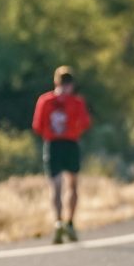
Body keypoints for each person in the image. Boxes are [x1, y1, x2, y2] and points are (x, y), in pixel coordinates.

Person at [32, 66, 92, 244]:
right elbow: (85, 123)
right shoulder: (76, 102)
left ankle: (58, 222)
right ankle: (69, 223)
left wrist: (51, 132)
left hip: (53, 144)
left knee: (56, 186)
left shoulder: (45, 100)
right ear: (71, 84)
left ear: (55, 82)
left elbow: (37, 126)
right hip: (70, 143)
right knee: (72, 185)